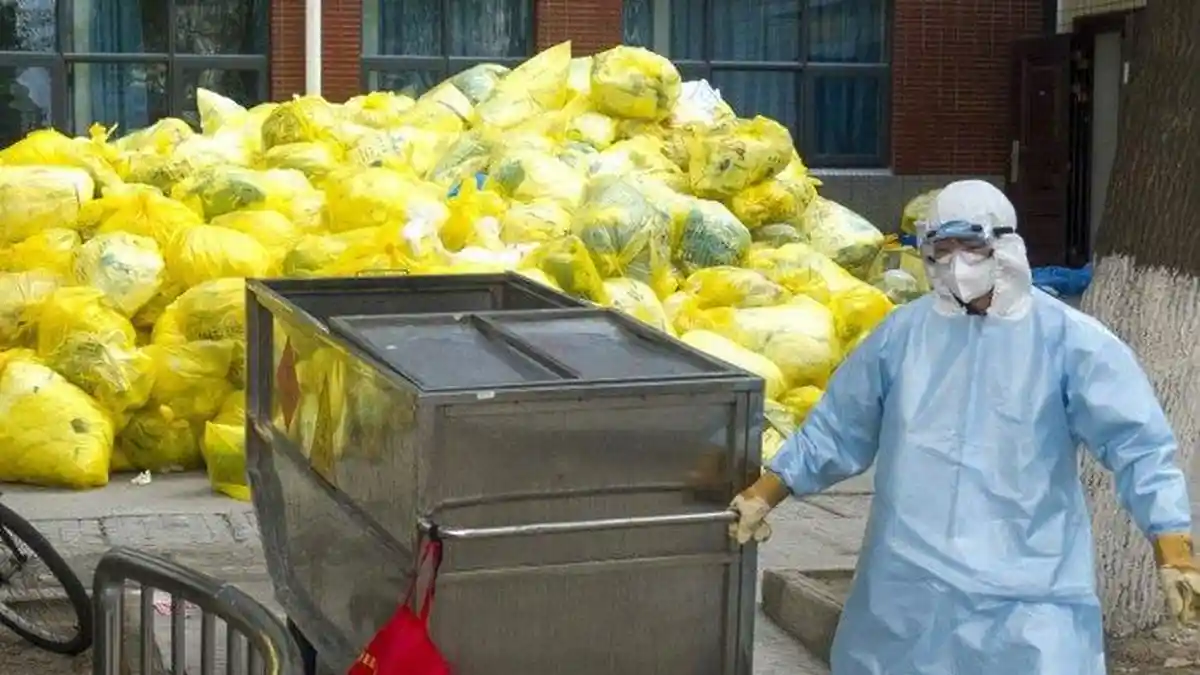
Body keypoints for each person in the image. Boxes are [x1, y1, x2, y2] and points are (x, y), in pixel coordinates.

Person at [730, 180, 1200, 674]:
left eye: (972, 246)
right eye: (943, 248)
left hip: (1027, 596)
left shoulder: (1070, 342)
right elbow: (837, 428)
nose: (958, 263)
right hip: (909, 595)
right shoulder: (902, 336)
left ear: (1007, 246)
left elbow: (1137, 444)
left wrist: (1172, 544)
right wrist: (766, 493)